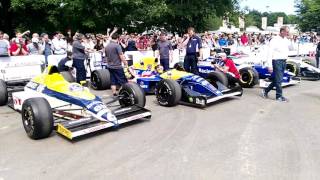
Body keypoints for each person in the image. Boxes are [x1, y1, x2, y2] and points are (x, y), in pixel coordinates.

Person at [262, 26, 292, 102]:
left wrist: (290, 39)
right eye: (287, 32)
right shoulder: (274, 40)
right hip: (276, 61)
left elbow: (291, 48)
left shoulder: (286, 40)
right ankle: (279, 96)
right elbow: (269, 53)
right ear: (282, 31)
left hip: (283, 61)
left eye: (288, 32)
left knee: (277, 80)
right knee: (279, 81)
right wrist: (269, 65)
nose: (288, 33)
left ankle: (265, 91)